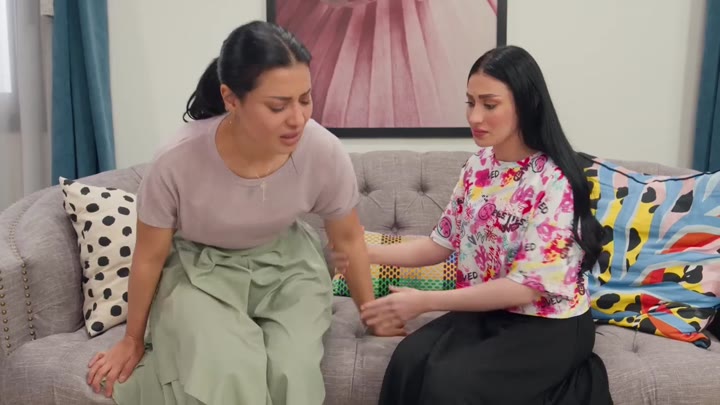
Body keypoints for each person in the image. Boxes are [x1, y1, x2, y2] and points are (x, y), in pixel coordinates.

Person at [84, 20, 403, 405]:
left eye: (305, 99)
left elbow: (348, 240)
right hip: (200, 272)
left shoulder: (323, 151)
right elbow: (150, 256)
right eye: (278, 106)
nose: (298, 118)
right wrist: (132, 339)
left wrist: (371, 315)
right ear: (231, 98)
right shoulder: (176, 161)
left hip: (290, 268)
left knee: (293, 371)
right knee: (230, 368)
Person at [331, 45, 614, 404]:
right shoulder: (477, 167)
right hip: (488, 311)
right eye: (470, 102)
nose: (475, 116)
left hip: (548, 324)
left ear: (526, 105)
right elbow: (438, 244)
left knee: (448, 384)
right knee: (407, 361)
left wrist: (426, 301)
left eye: (489, 104)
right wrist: (362, 252)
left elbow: (526, 289)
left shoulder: (554, 181)